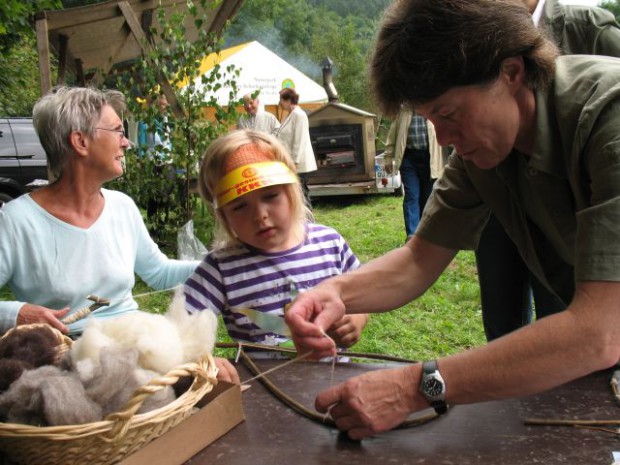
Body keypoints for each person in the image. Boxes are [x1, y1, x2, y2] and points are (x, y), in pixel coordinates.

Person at [284, 0, 620, 440]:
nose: (443, 140)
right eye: (428, 119)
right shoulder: (486, 149)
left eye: (448, 113)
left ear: (511, 72)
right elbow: (418, 259)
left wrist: (417, 386)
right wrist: (336, 292)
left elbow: (599, 330)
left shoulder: (608, 118)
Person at [476, 0, 620, 341]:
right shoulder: (476, 34)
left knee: (561, 311)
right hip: (502, 193)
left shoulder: (588, 26)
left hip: (579, 207)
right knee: (500, 308)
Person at [184, 129, 368, 349]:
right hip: (262, 383)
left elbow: (363, 294)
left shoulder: (330, 244)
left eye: (270, 196)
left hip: (335, 379)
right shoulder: (221, 268)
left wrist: (356, 319)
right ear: (223, 215)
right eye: (240, 206)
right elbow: (180, 331)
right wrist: (208, 362)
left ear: (292, 190)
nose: (260, 215)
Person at [383, 109, 447, 240]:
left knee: (428, 197)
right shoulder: (403, 111)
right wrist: (388, 158)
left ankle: (425, 234)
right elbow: (392, 136)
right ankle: (412, 236)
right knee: (412, 195)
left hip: (430, 159)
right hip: (409, 159)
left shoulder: (433, 107)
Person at [275, 88, 317, 206]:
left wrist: (294, 162)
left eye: (281, 100)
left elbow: (299, 140)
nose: (279, 103)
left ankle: (308, 221)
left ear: (288, 100)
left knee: (301, 193)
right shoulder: (291, 115)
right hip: (292, 163)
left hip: (299, 164)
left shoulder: (299, 115)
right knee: (297, 193)